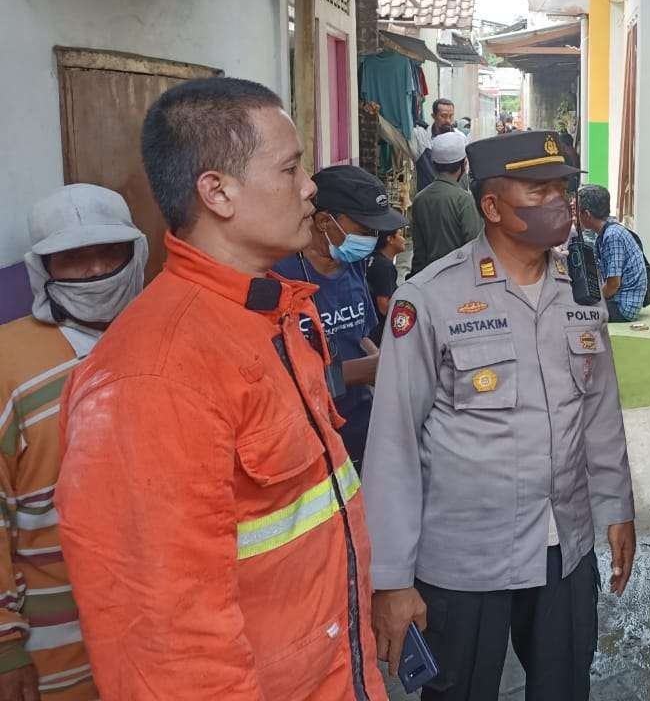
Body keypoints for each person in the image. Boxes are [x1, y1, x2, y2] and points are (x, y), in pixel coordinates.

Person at [57, 77, 387, 701]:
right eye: (290, 169)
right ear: (218, 192)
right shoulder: (152, 378)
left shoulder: (274, 313)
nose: (309, 187)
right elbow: (168, 648)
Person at [363, 129, 636, 701]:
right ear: (491, 206)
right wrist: (390, 578)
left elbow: (600, 415)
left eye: (561, 188)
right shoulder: (430, 298)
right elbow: (392, 445)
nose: (558, 202)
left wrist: (616, 508)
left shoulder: (579, 290)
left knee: (563, 688)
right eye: (537, 191)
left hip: (564, 545)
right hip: (464, 559)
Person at [0, 185, 147, 701]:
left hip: (158, 633)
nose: (95, 270)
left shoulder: (165, 339)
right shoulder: (6, 363)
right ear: (42, 269)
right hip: (54, 653)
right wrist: (4, 646)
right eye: (73, 257)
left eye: (110, 252)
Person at [273, 165, 406, 472]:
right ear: (323, 221)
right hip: (307, 435)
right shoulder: (278, 276)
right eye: (365, 230)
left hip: (359, 424)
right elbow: (276, 376)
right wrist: (360, 371)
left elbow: (361, 333)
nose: (373, 239)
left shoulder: (354, 266)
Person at [408, 131, 482, 277]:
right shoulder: (464, 199)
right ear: (464, 164)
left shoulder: (419, 199)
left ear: (434, 164)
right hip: (458, 278)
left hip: (428, 278)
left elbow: (419, 251)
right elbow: (475, 246)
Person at [575, 185, 646, 323]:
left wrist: (593, 300)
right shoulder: (606, 231)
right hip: (619, 299)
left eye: (578, 211)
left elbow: (613, 284)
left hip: (623, 306)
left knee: (573, 311)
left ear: (587, 214)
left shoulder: (612, 236)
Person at [368, 228, 408, 344]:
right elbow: (384, 307)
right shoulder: (385, 267)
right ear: (390, 239)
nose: (404, 240)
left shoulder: (372, 258)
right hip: (379, 333)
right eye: (400, 235)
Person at [413, 99, 458, 192]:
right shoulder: (422, 138)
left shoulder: (460, 139)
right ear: (433, 116)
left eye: (451, 116)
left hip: (452, 197)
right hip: (427, 199)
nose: (448, 121)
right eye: (444, 116)